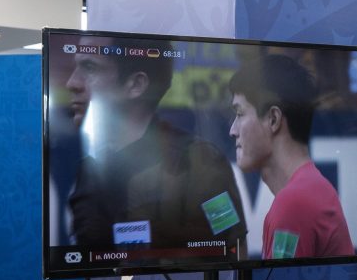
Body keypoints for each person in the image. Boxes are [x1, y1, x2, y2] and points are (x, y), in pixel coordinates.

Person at [66, 40, 247, 250]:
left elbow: (232, 246)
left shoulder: (199, 162)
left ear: (136, 85)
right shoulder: (89, 173)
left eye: (89, 67)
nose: (72, 83)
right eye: (75, 66)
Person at [228, 53, 354, 260]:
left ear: (273, 119)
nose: (232, 130)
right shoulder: (307, 190)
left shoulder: (293, 204)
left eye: (240, 113)